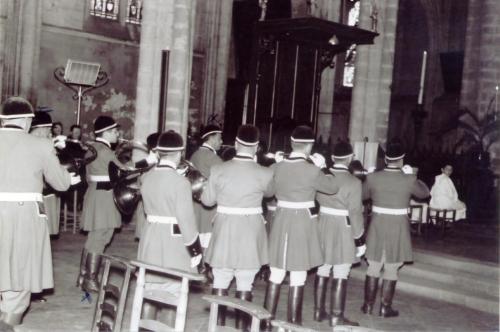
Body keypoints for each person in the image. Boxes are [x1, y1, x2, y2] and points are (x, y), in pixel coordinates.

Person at [0, 97, 80, 331]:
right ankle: (7, 324)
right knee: (20, 272)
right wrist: (70, 177)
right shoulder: (40, 145)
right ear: (26, 120)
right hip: (25, 216)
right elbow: (61, 183)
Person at [262, 125, 339, 329]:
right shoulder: (312, 170)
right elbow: (333, 188)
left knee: (276, 270)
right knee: (298, 271)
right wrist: (323, 167)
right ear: (310, 146)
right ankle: (293, 322)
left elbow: (268, 193)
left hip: (281, 218)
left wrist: (276, 167)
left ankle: (265, 322)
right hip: (303, 222)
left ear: (292, 143)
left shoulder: (276, 167)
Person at [201, 125, 274, 329]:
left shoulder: (218, 169)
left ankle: (217, 326)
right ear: (257, 146)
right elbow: (270, 194)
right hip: (251, 231)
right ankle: (243, 327)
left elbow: (207, 202)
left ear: (235, 144)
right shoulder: (264, 173)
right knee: (245, 280)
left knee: (220, 278)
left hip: (225, 228)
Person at [77, 115, 156, 293]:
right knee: (101, 237)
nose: (117, 134)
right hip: (103, 196)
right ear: (105, 133)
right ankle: (90, 279)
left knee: (96, 236)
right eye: (114, 131)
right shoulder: (104, 151)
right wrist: (148, 161)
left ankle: (84, 275)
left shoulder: (96, 148)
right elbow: (125, 170)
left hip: (97, 194)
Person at [137, 130, 203, 320]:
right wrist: (196, 252)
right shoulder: (181, 183)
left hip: (150, 240)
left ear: (159, 152)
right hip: (173, 244)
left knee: (149, 294)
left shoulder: (146, 177)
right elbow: (187, 221)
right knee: (172, 295)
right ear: (180, 153)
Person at [361, 139, 429, 318]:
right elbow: (425, 193)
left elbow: (362, 195)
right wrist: (412, 175)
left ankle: (368, 306)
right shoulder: (408, 179)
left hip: (377, 223)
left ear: (385, 159)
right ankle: (385, 308)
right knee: (392, 266)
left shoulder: (374, 177)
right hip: (398, 225)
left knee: (373, 264)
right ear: (402, 159)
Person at [314, 141, 365, 327]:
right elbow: (356, 212)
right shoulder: (354, 181)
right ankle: (337, 316)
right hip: (343, 226)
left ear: (333, 158)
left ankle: (318, 311)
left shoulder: (321, 175)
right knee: (341, 270)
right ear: (350, 158)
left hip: (322, 221)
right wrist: (359, 239)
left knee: (322, 267)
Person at [189, 124, 223, 250]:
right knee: (208, 243)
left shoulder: (195, 154)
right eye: (219, 138)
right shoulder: (212, 157)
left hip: (195, 206)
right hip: (209, 207)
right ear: (211, 138)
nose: (221, 141)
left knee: (198, 240)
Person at [29, 111, 63, 237]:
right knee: (39, 232)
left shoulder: (27, 141)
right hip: (39, 191)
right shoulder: (43, 144)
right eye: (48, 129)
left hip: (39, 189)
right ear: (42, 128)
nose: (50, 133)